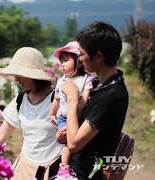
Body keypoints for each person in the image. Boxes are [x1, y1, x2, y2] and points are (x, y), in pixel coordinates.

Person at [0, 47, 63, 180]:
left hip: (53, 167)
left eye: (19, 75)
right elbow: (0, 136)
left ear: (32, 75)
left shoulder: (58, 99)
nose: (16, 80)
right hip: (25, 167)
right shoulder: (20, 101)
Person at [61, 21, 129, 179]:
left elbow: (74, 144)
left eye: (82, 54)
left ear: (98, 56)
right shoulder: (101, 85)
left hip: (87, 174)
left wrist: (72, 99)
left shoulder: (111, 95)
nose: (80, 59)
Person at [50, 41, 94, 180]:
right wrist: (52, 113)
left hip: (80, 117)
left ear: (78, 61)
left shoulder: (86, 79)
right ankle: (64, 168)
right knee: (67, 143)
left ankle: (70, 165)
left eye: (66, 60)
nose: (62, 64)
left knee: (75, 141)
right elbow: (57, 99)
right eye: (61, 61)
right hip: (63, 117)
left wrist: (75, 103)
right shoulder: (61, 81)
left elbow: (84, 100)